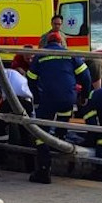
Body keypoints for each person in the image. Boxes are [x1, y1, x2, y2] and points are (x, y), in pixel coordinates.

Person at [25, 31, 91, 184]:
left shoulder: (40, 55)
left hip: (48, 99)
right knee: (62, 123)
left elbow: (31, 79)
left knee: (41, 133)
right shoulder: (71, 54)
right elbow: (86, 76)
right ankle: (61, 145)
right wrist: (84, 96)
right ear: (61, 43)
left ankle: (43, 170)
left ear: (47, 43)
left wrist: (37, 97)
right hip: (68, 98)